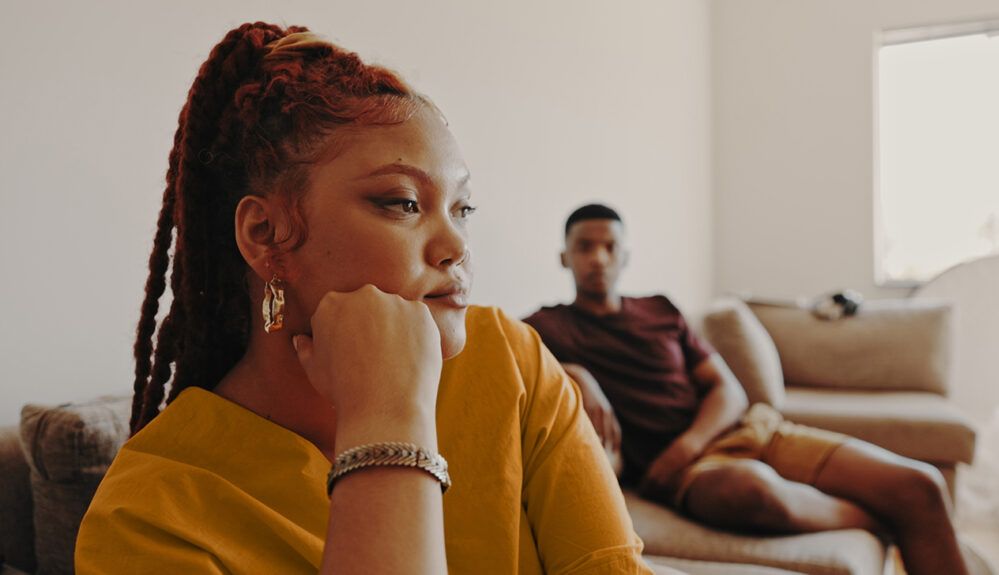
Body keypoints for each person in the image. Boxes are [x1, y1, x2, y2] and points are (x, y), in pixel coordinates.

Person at [74, 24, 673, 575]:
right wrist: (388, 419)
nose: (455, 246)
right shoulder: (146, 514)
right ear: (266, 236)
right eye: (403, 203)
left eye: (462, 209)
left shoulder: (510, 360)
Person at [523, 203, 971, 575]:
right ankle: (883, 520)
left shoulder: (660, 309)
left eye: (609, 246)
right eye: (585, 247)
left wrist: (687, 444)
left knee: (922, 486)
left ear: (625, 256)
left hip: (756, 432)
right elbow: (503, 358)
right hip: (690, 476)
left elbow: (728, 391)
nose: (598, 258)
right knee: (747, 490)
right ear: (565, 257)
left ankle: (897, 514)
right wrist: (575, 372)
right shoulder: (546, 328)